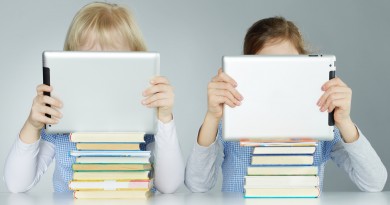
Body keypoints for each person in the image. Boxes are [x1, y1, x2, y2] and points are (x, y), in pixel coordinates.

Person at [185, 16, 387, 193]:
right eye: (267, 68)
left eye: (288, 67)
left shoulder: (320, 125)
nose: (278, 81)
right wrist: (212, 116)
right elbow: (197, 184)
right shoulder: (231, 125)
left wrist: (344, 121)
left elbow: (374, 182)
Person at [4, 2, 184, 194]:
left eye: (113, 62)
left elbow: (169, 185)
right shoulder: (60, 125)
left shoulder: (144, 121)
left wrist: (165, 119)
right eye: (90, 62)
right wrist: (32, 125)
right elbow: (17, 185)